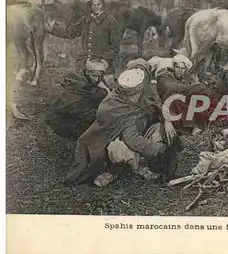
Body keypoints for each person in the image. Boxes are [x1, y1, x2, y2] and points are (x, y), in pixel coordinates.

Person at [63, 58, 181, 187]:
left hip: (139, 132)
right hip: (116, 142)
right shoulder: (114, 104)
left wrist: (167, 121)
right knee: (118, 148)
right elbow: (133, 140)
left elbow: (159, 105)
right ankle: (113, 170)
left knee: (161, 128)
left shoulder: (145, 92)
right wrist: (159, 149)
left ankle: (147, 164)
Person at [46, 0, 121, 88]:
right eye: (93, 5)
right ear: (90, 6)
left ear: (103, 4)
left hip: (104, 65)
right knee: (83, 91)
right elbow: (70, 32)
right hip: (85, 63)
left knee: (107, 92)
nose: (96, 7)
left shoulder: (110, 21)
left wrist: (104, 61)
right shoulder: (86, 20)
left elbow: (115, 47)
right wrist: (53, 29)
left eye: (99, 4)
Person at [45, 57, 109, 142]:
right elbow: (82, 110)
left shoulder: (89, 80)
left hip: (73, 115)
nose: (97, 79)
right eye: (94, 75)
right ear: (87, 72)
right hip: (64, 122)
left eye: (100, 76)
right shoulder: (80, 85)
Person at [156, 54, 206, 134]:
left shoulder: (184, 77)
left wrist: (192, 86)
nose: (180, 70)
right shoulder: (164, 76)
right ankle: (188, 128)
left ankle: (194, 127)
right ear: (173, 67)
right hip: (164, 107)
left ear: (186, 70)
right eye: (177, 67)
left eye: (183, 68)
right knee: (176, 99)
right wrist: (190, 88)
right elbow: (172, 86)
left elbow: (201, 87)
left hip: (179, 105)